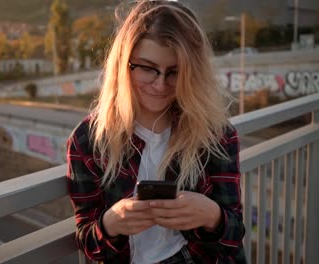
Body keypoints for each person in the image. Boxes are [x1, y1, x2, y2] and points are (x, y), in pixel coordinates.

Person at [66, 1, 246, 263]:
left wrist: (212, 216)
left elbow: (234, 233)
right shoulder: (89, 140)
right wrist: (110, 224)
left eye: (175, 72)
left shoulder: (215, 133)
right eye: (148, 68)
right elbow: (88, 241)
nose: (160, 84)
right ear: (123, 64)